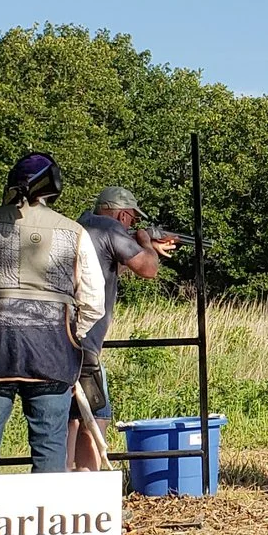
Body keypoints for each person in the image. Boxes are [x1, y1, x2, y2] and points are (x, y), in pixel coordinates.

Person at [0, 153, 107, 475]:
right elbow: (93, 301)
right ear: (54, 187)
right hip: (53, 350)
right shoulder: (74, 231)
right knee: (50, 443)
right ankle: (47, 520)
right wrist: (72, 335)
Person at [69, 187, 181, 470]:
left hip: (62, 340)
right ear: (122, 214)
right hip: (85, 346)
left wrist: (146, 247)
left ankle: (69, 488)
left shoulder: (78, 227)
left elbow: (106, 268)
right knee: (95, 418)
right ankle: (90, 495)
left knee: (70, 419)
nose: (131, 225)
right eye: (131, 220)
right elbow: (149, 269)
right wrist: (144, 241)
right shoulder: (109, 228)